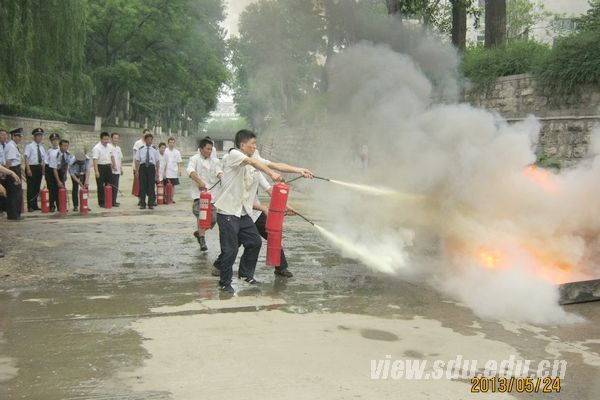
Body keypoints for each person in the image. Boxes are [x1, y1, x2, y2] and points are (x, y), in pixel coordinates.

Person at [213, 129, 313, 293]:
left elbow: (274, 165)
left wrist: (299, 170)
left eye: (255, 144)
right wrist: (271, 174)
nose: (255, 147)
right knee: (231, 249)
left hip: (244, 212)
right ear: (242, 145)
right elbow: (255, 163)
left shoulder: (254, 159)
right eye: (252, 144)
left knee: (254, 242)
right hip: (228, 211)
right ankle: (224, 283)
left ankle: (245, 274)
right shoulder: (234, 154)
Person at [187, 137, 223, 251]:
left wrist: (222, 176)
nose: (209, 151)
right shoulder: (194, 159)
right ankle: (202, 240)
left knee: (213, 219)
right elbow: (191, 171)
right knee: (201, 216)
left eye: (211, 149)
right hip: (199, 195)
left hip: (212, 195)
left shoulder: (215, 161)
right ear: (201, 149)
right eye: (207, 149)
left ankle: (199, 232)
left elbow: (218, 171)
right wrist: (199, 182)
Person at [134, 133, 160, 210]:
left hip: (151, 168)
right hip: (143, 168)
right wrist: (137, 171)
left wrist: (157, 172)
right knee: (142, 186)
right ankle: (142, 203)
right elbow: (137, 160)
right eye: (148, 139)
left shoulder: (154, 149)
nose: (149, 141)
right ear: (145, 140)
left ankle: (151, 203)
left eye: (151, 140)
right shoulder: (140, 149)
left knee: (151, 186)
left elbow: (157, 161)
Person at [24, 128, 46, 211]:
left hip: (38, 167)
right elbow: (26, 157)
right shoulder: (29, 146)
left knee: (37, 186)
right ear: (34, 137)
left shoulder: (41, 147)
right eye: (38, 136)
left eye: (41, 136)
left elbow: (43, 160)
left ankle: (35, 205)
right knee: (31, 187)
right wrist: (28, 169)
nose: (40, 137)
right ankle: (30, 206)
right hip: (31, 167)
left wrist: (43, 169)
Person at [4, 128, 24, 220]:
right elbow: (9, 161)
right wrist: (6, 173)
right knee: (14, 193)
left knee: (16, 192)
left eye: (20, 136)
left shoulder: (13, 145)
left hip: (15, 169)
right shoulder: (11, 146)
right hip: (12, 170)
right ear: (13, 136)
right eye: (18, 136)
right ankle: (13, 214)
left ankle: (15, 213)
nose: (20, 138)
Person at [49, 139, 73, 210]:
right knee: (53, 189)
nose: (66, 148)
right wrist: (58, 181)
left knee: (61, 188)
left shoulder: (67, 154)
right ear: (60, 146)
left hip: (61, 171)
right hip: (51, 171)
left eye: (67, 146)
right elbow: (54, 169)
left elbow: (66, 165)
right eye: (64, 146)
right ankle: (52, 206)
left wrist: (64, 175)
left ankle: (60, 206)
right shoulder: (55, 154)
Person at [92, 131, 114, 207]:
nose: (106, 141)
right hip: (100, 167)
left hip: (108, 167)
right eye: (104, 139)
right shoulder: (97, 148)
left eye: (107, 139)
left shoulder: (110, 146)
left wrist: (113, 164)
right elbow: (95, 160)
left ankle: (109, 200)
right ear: (101, 139)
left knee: (109, 184)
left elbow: (111, 156)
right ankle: (101, 202)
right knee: (100, 185)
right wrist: (96, 171)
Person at [132, 129, 150, 206]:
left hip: (147, 167)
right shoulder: (138, 143)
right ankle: (140, 199)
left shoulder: (149, 143)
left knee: (146, 184)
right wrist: (136, 168)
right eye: (146, 134)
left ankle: (145, 199)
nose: (147, 135)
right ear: (142, 134)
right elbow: (136, 156)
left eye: (148, 134)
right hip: (138, 166)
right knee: (139, 184)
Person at [44, 133, 61, 211]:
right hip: (50, 170)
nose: (55, 142)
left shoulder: (61, 150)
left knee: (58, 188)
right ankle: (51, 205)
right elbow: (46, 161)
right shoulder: (49, 151)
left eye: (56, 140)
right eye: (53, 140)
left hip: (58, 170)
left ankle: (59, 204)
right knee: (51, 188)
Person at [164, 137, 182, 202]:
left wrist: (179, 170)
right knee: (166, 185)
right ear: (168, 143)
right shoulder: (165, 151)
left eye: (173, 143)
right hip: (166, 171)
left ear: (174, 143)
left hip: (174, 171)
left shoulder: (177, 152)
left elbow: (179, 162)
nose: (171, 144)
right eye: (170, 142)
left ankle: (171, 198)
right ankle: (166, 198)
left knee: (173, 186)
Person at [110, 132, 123, 207]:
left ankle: (114, 200)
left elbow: (120, 159)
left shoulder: (118, 148)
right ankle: (110, 201)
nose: (116, 140)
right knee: (112, 186)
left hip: (117, 170)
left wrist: (121, 168)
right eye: (115, 138)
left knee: (116, 186)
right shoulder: (109, 147)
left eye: (117, 138)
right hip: (111, 170)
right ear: (111, 138)